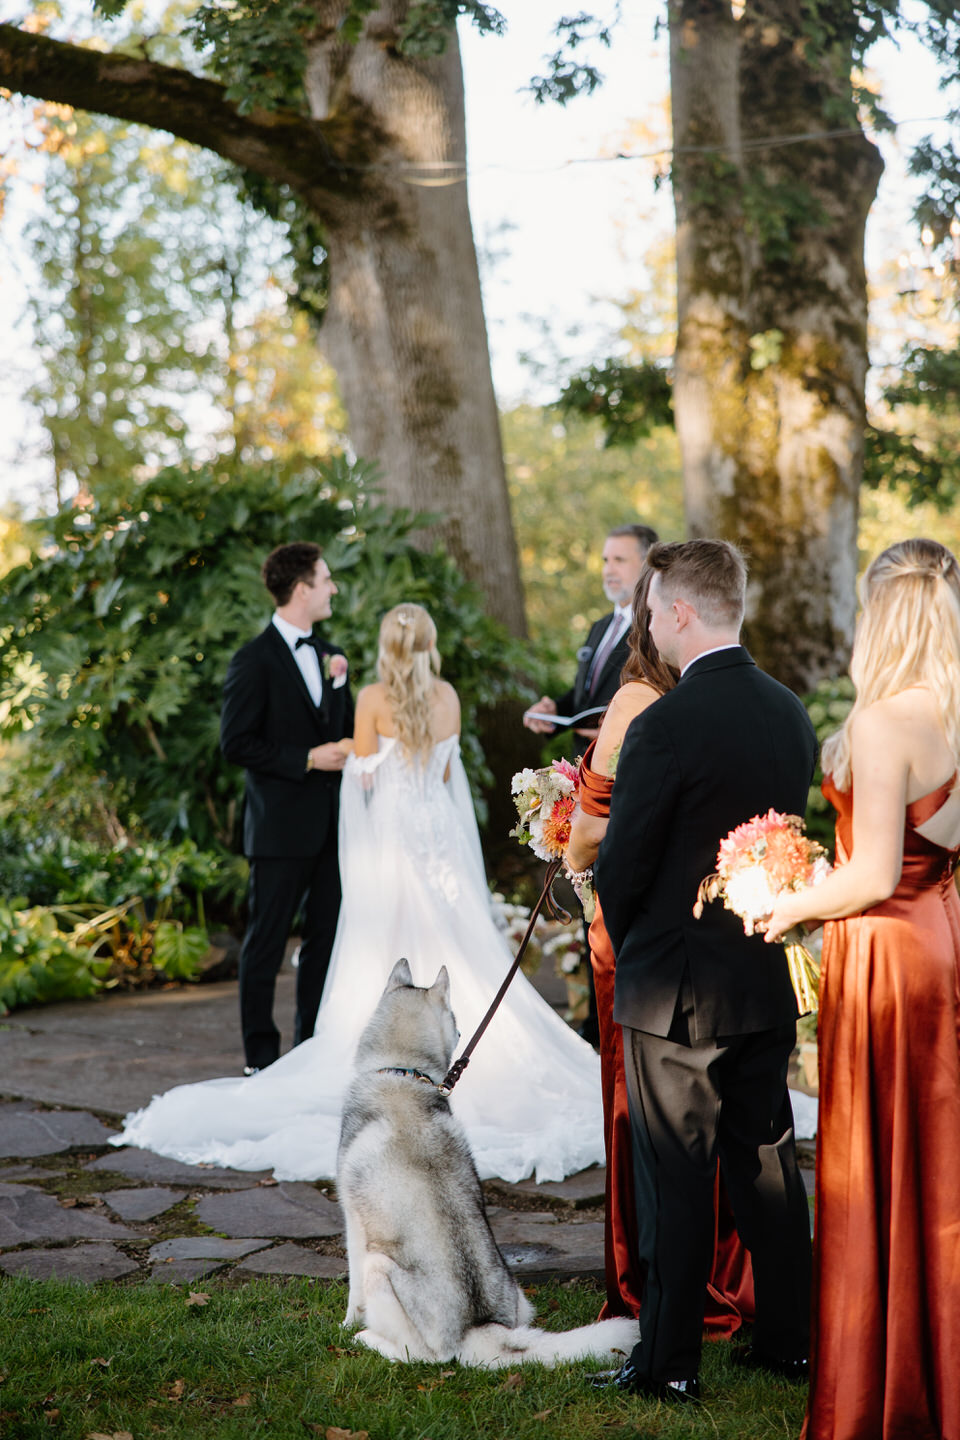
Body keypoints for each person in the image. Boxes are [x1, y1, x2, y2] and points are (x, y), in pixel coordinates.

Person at [115, 604, 604, 1185]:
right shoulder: (447, 698)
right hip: (439, 844)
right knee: (457, 945)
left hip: (392, 843)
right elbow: (448, 779)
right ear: (430, 644)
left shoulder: (372, 699)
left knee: (384, 946)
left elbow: (362, 781)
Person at [591, 540, 816, 1404]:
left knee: (674, 1176)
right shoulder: (789, 712)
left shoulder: (664, 725)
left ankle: (669, 1362)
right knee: (766, 1165)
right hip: (761, 977)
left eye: (653, 610)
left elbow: (624, 867)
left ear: (682, 611)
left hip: (674, 994)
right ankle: (789, 1341)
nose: (647, 622)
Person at [764, 539, 960, 1440]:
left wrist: (787, 905)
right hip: (942, 941)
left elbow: (875, 872)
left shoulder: (885, 724)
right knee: (935, 1167)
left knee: (877, 1164)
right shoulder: (953, 716)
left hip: (885, 954)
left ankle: (886, 1394)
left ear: (884, 617)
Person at [564, 564, 755, 1335]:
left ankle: (653, 1281)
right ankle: (721, 1273)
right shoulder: (729, 700)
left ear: (666, 614)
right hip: (720, 940)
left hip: (638, 934)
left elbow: (589, 840)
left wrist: (568, 828)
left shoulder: (637, 703)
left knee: (644, 1111)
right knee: (714, 1112)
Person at [221, 542, 354, 1075]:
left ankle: (309, 1052)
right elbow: (235, 743)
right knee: (265, 944)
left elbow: (341, 730)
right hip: (278, 832)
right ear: (302, 589)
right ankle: (259, 1058)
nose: (333, 588)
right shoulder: (252, 661)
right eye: (326, 579)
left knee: (324, 941)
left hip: (332, 828)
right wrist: (305, 759)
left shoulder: (334, 654)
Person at [523, 524, 658, 755]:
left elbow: (662, 698)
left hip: (627, 762)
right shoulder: (600, 626)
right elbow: (586, 693)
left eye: (619, 560)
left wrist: (618, 731)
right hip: (584, 765)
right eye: (606, 560)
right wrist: (554, 710)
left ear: (647, 564)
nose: (608, 570)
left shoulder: (655, 627)